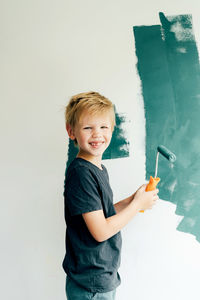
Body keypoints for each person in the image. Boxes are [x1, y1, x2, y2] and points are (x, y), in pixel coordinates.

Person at [62, 91, 159, 300]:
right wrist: (136, 206)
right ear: (72, 132)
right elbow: (101, 231)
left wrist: (133, 199)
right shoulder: (81, 173)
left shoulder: (97, 169)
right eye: (88, 128)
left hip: (100, 277)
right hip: (91, 283)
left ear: (112, 130)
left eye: (104, 127)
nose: (97, 134)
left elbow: (102, 213)